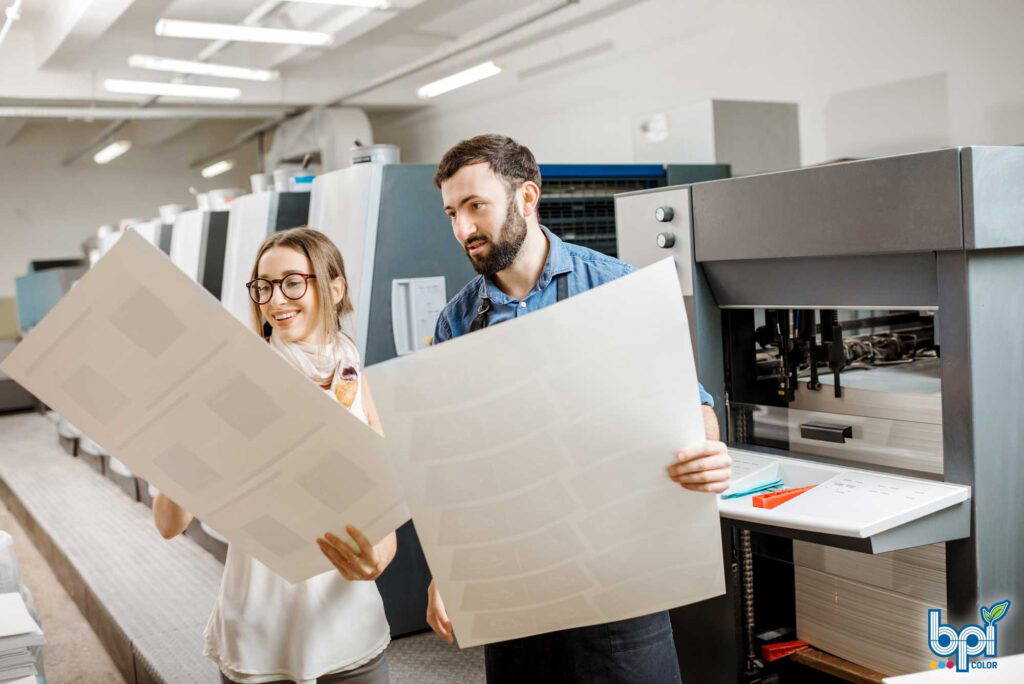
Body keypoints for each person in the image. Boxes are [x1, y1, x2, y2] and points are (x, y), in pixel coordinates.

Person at [424, 135, 732, 682]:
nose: (463, 230)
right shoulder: (456, 323)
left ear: (526, 197)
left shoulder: (616, 288)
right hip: (516, 580)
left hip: (618, 573)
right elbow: (457, 464)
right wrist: (447, 569)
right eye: (452, 213)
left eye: (476, 207)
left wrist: (705, 448)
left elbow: (694, 409)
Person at [152, 228, 396, 684]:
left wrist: (380, 551)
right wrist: (185, 434)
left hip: (348, 619)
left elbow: (383, 489)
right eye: (263, 286)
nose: (274, 299)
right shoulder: (235, 381)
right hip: (263, 626)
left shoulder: (352, 368)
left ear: (335, 287)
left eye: (291, 282)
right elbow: (169, 524)